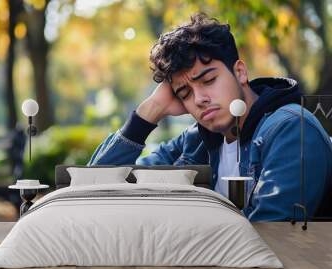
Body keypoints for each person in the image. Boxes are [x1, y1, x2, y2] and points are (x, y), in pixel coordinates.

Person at [88, 13, 332, 221]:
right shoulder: (196, 141)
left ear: (240, 72)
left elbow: (270, 237)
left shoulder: (290, 129)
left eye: (208, 80)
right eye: (184, 93)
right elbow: (91, 191)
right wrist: (149, 112)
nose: (199, 98)